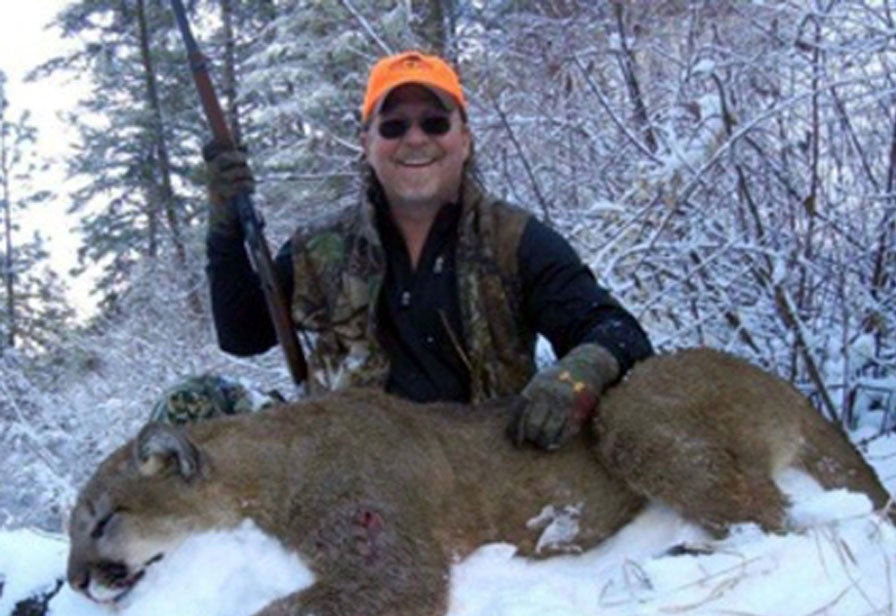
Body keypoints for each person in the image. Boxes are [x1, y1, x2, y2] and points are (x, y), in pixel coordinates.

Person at [201, 50, 652, 449]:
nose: (415, 139)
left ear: (465, 139)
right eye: (393, 126)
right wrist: (224, 227)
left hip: (479, 478)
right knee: (193, 406)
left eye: (435, 123)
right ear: (367, 144)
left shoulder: (516, 241)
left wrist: (574, 378)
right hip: (350, 470)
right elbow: (241, 334)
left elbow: (616, 332)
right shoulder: (321, 248)